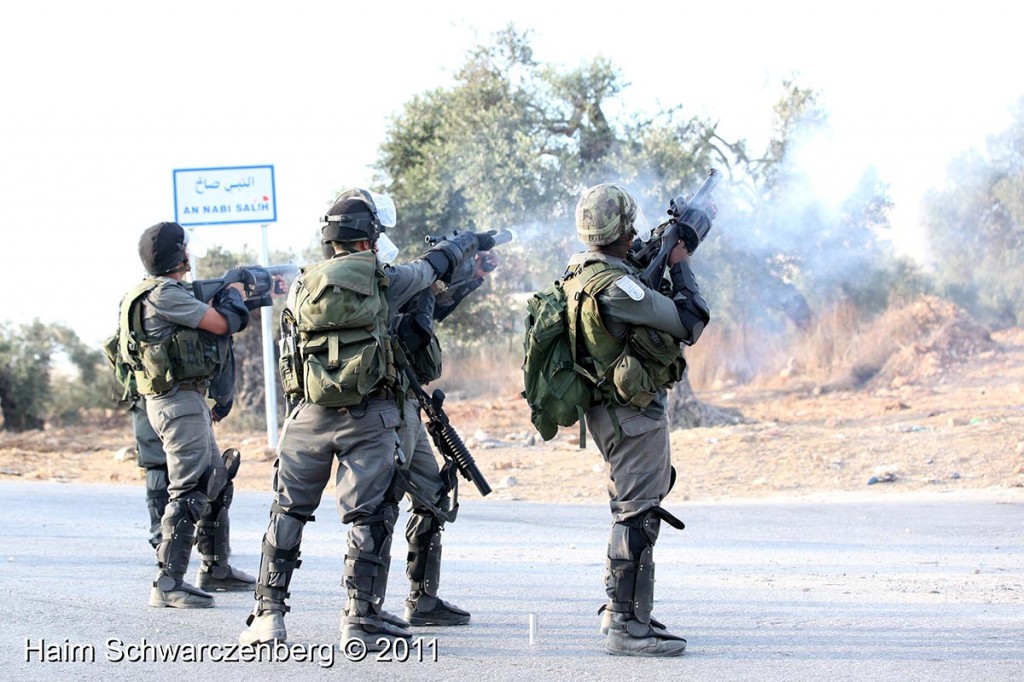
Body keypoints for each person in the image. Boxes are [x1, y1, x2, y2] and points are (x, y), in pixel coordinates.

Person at [238, 191, 480, 649]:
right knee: (371, 514)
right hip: (368, 413)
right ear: (370, 237)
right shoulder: (384, 278)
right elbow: (433, 268)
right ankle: (361, 616)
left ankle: (268, 615)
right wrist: (462, 244)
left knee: (288, 510)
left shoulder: (302, 283)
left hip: (307, 415)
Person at [565, 183, 711, 657]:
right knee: (638, 514)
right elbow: (691, 320)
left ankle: (623, 611)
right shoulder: (617, 285)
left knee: (631, 506)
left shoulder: (582, 269)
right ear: (623, 227)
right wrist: (680, 260)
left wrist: (661, 250)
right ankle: (627, 625)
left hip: (609, 409)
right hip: (631, 413)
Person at [115, 221, 254, 608]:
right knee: (191, 487)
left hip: (181, 400)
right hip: (177, 402)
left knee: (216, 479)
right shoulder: (165, 295)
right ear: (180, 256)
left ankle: (215, 568)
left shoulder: (152, 293)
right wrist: (234, 294)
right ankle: (168, 583)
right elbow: (223, 324)